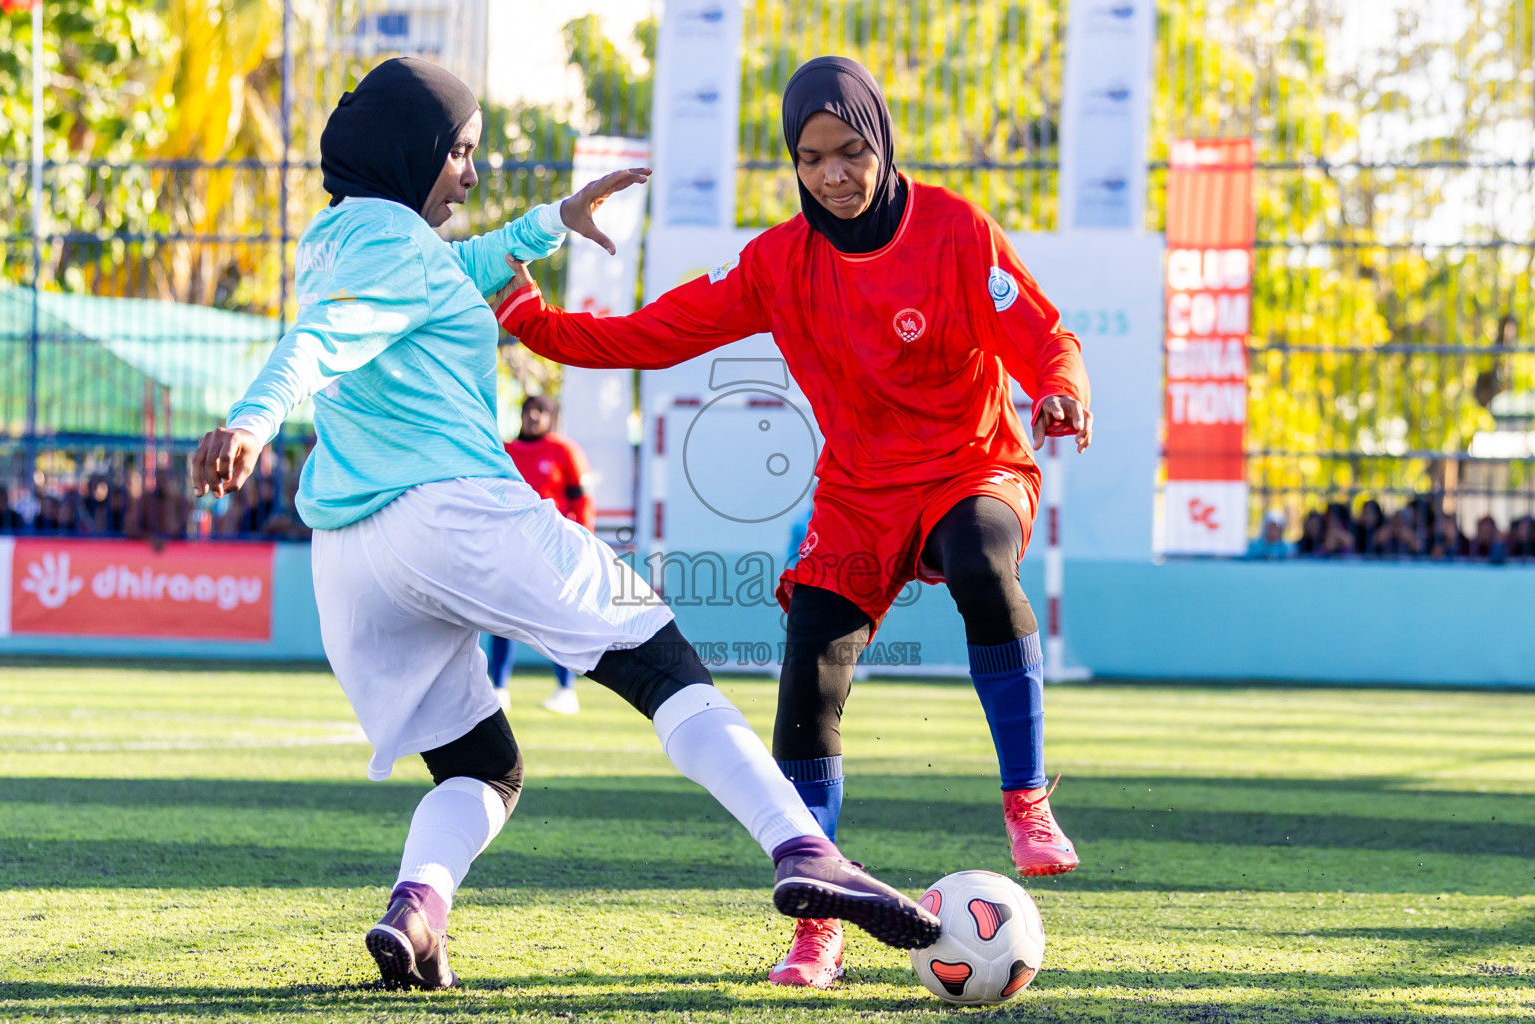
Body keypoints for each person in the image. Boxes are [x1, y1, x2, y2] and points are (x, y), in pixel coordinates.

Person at [189, 57, 937, 993]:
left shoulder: (343, 237)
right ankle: (802, 848)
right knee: (660, 655)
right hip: (450, 510)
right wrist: (253, 421)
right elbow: (318, 342)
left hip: (349, 558)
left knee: (482, 768)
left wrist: (549, 223)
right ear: (411, 151)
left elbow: (446, 277)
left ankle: (416, 908)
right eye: (460, 152)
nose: (469, 172)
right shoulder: (386, 255)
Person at [495, 55, 1091, 989]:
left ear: (882, 143)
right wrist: (533, 321)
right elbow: (656, 332)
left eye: (851, 152)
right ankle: (822, 922)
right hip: (858, 491)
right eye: (811, 159)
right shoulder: (780, 263)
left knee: (981, 562)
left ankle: (1025, 798)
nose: (833, 176)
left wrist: (1058, 391)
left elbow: (1046, 336)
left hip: (972, 465)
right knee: (808, 679)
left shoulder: (953, 230)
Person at [488, 394, 594, 714]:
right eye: (527, 410)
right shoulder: (503, 451)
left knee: (558, 618)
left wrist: (583, 541)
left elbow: (582, 501)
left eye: (541, 411)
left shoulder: (564, 451)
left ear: (551, 418)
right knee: (500, 618)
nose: (533, 416)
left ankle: (565, 689)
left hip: (554, 549)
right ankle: (498, 688)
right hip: (510, 547)